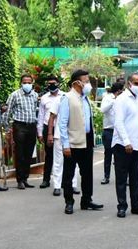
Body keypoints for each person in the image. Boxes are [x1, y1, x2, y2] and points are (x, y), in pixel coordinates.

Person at [58, 69, 103, 215]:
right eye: (86, 81)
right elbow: (62, 123)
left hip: (87, 141)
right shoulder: (67, 98)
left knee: (87, 173)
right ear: (77, 82)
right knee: (69, 175)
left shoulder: (85, 98)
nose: (88, 84)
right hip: (72, 142)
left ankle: (86, 200)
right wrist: (65, 145)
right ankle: (69, 202)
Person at [112, 74, 138, 218]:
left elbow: (137, 124)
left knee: (135, 177)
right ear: (129, 83)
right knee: (122, 178)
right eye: (136, 83)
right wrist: (127, 141)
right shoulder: (122, 99)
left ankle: (136, 206)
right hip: (123, 145)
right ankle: (122, 206)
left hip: (136, 144)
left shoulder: (136, 100)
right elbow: (119, 122)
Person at [6, 73, 39, 189]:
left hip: (31, 126)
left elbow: (36, 111)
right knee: (20, 153)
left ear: (32, 83)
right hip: (19, 126)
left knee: (29, 153)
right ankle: (19, 180)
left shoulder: (35, 95)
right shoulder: (14, 95)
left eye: (29, 83)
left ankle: (25, 178)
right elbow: (8, 111)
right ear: (21, 83)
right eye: (24, 82)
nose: (27, 84)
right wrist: (6, 128)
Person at [37, 75, 62, 190]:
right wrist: (40, 132)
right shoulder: (44, 98)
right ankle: (46, 180)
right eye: (49, 84)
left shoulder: (64, 96)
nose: (51, 85)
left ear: (58, 84)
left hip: (61, 128)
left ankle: (63, 180)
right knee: (49, 155)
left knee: (63, 155)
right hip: (48, 128)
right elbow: (41, 116)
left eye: (54, 83)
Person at [99, 81, 124, 185]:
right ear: (118, 90)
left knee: (121, 155)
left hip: (120, 131)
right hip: (109, 130)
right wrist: (114, 101)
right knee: (108, 154)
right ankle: (106, 176)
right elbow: (103, 110)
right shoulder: (107, 98)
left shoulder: (124, 99)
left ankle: (122, 177)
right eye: (122, 90)